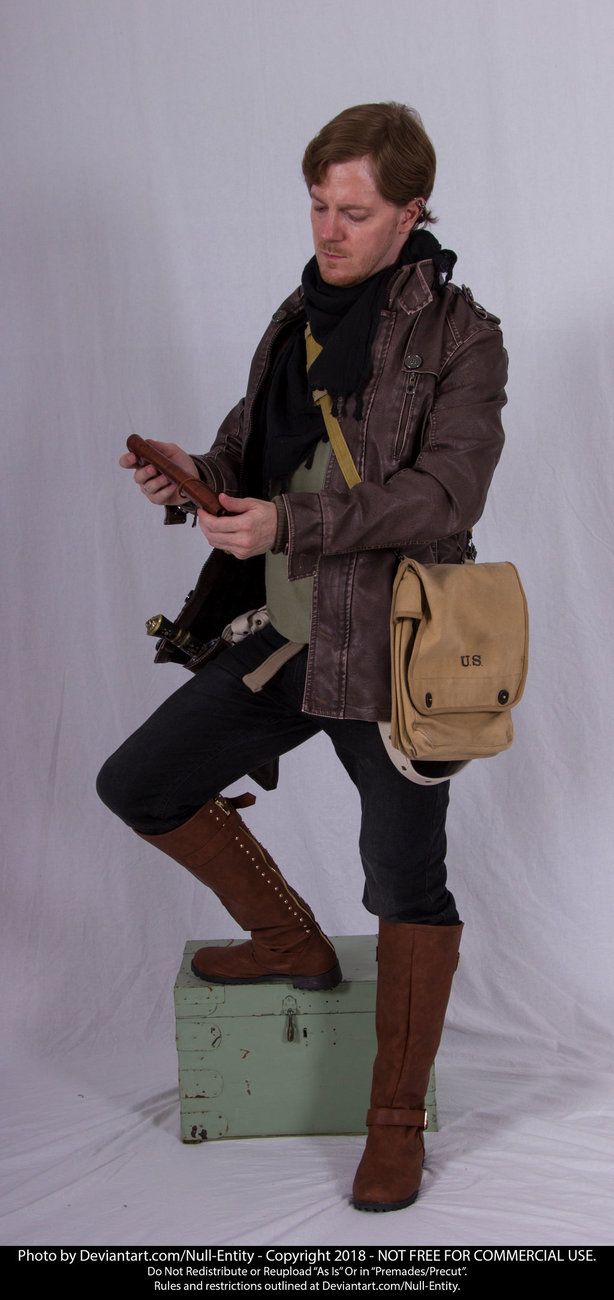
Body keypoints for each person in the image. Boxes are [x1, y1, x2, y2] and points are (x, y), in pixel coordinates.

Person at [96, 102, 507, 1213]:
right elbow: (257, 444)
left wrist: (293, 526)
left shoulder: (463, 336)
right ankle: (286, 938)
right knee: (137, 783)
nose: (328, 229)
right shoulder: (301, 311)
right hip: (283, 634)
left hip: (392, 655)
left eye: (354, 211)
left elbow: (443, 495)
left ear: (409, 210)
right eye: (318, 205)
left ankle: (391, 1124)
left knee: (404, 886)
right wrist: (198, 468)